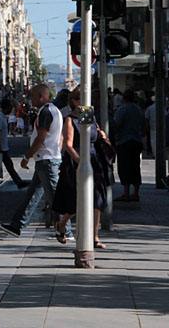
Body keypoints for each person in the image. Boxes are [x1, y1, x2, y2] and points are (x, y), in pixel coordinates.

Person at [52, 88, 114, 248]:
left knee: (97, 199)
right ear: (74, 101)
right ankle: (62, 223)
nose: (85, 102)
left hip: (94, 159)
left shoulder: (88, 115)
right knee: (76, 200)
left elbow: (95, 133)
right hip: (77, 161)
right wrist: (80, 162)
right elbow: (68, 144)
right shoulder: (70, 120)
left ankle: (94, 237)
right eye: (81, 99)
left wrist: (103, 136)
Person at [0, 84, 63, 237]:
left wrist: (27, 156)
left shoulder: (46, 112)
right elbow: (58, 137)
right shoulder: (53, 111)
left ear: (41, 96)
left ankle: (65, 230)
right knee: (33, 194)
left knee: (55, 197)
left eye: (33, 96)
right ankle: (17, 225)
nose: (30, 100)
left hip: (47, 160)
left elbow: (41, 138)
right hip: (46, 159)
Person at [0, 99, 27, 190]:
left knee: (4, 165)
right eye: (10, 107)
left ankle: (18, 182)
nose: (11, 109)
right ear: (6, 108)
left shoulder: (2, 117)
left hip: (2, 147)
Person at [112, 90, 145, 202]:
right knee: (135, 166)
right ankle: (136, 192)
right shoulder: (138, 109)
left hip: (124, 141)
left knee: (125, 167)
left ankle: (126, 192)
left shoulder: (122, 109)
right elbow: (143, 124)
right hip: (136, 140)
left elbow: (117, 124)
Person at [144, 94, 157, 158]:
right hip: (160, 127)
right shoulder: (162, 107)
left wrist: (147, 127)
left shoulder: (149, 108)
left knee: (153, 140)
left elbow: (146, 118)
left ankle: (154, 154)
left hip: (152, 126)